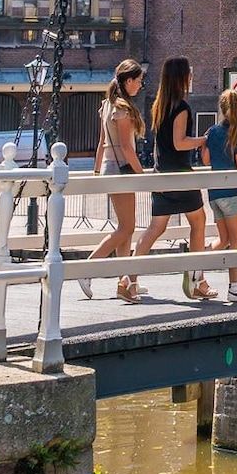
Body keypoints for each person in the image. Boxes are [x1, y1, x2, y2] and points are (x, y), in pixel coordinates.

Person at [131, 57, 215, 302]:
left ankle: (128, 279)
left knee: (156, 228)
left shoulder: (160, 105)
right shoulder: (181, 107)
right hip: (180, 175)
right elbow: (180, 143)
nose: (191, 76)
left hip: (161, 174)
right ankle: (196, 280)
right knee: (199, 222)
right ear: (182, 77)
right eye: (189, 73)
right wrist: (204, 139)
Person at [88, 59, 147, 302]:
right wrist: (142, 175)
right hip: (121, 169)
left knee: (126, 228)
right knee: (127, 228)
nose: (141, 85)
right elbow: (125, 147)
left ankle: (125, 283)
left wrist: (96, 171)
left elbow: (102, 143)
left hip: (109, 168)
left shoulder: (107, 105)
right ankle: (88, 268)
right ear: (128, 80)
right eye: (139, 81)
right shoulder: (121, 108)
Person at [205, 86, 237, 303]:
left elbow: (206, 159)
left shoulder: (212, 131)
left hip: (214, 194)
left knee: (223, 239)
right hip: (231, 193)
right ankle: (235, 288)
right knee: (236, 241)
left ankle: (196, 268)